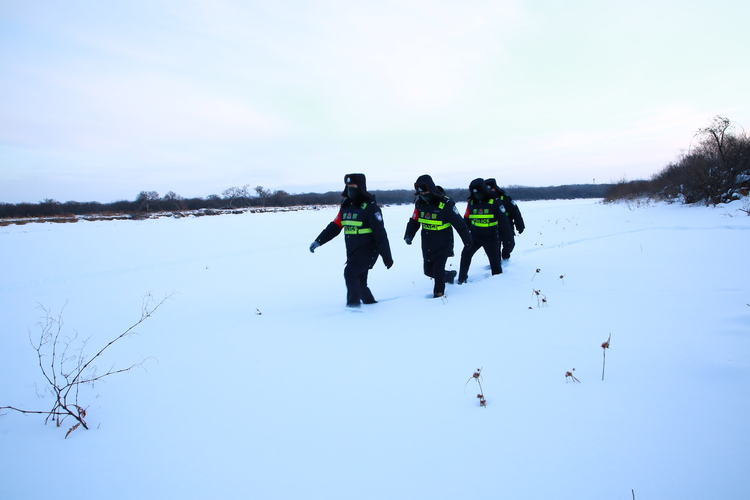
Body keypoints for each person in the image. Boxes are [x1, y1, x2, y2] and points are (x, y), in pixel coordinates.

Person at [310, 173, 393, 308]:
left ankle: (353, 308)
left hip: (369, 250)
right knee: (360, 282)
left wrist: (387, 256)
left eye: (353, 186)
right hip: (353, 251)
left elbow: (380, 234)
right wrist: (319, 241)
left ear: (361, 187)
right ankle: (371, 306)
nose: (350, 189)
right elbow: (335, 226)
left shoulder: (371, 207)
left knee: (350, 272)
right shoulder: (346, 206)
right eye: (348, 186)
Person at [404, 174, 472, 298]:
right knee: (428, 271)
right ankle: (449, 275)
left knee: (438, 270)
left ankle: (438, 296)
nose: (423, 196)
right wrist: (409, 235)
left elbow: (460, 224)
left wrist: (467, 241)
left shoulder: (445, 204)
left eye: (425, 192)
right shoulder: (420, 204)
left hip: (443, 242)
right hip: (427, 242)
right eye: (421, 194)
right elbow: (414, 221)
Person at [458, 178, 513, 284]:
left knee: (495, 262)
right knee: (465, 255)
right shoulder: (472, 202)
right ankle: (461, 279)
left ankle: (498, 283)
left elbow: (504, 223)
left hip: (491, 237)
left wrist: (508, 240)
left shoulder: (495, 202)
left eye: (479, 192)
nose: (477, 195)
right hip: (475, 236)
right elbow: (466, 220)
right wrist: (465, 236)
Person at [486, 178, 525, 260]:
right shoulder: (483, 200)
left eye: (491, 189)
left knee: (510, 244)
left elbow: (516, 213)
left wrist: (520, 225)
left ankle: (506, 256)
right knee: (495, 248)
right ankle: (497, 263)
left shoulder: (505, 198)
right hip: (491, 228)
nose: (490, 191)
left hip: (507, 226)